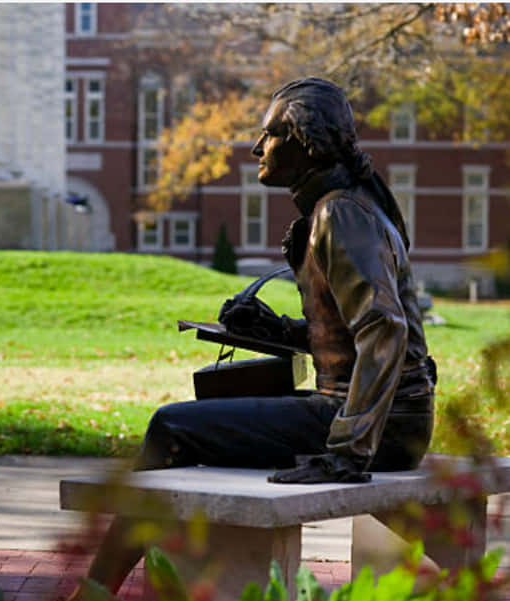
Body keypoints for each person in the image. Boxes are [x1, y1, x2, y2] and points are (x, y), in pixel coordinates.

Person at [71, 77, 436, 597]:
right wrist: (275, 330)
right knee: (196, 418)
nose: (257, 148)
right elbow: (354, 335)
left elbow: (384, 329)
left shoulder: (340, 213)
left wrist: (349, 449)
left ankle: (95, 590)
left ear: (306, 143)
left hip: (380, 426)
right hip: (378, 416)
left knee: (171, 426)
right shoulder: (342, 206)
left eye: (270, 134)